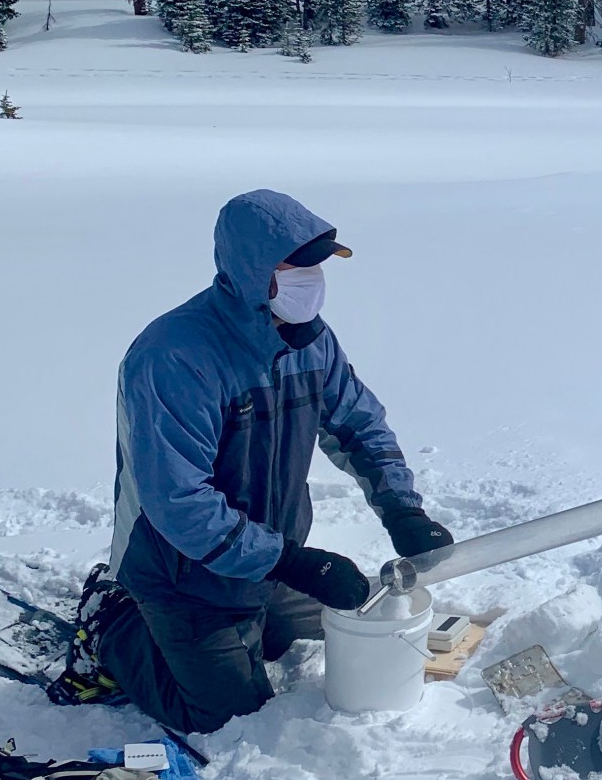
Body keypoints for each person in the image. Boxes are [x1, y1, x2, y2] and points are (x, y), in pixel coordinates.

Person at [91, 189, 453, 734]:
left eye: (319, 268)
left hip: (264, 555)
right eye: (296, 269)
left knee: (348, 614)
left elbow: (359, 424)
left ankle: (251, 620)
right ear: (253, 272)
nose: (313, 281)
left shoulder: (310, 342)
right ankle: (115, 624)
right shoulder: (174, 357)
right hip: (181, 569)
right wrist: (291, 563)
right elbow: (180, 502)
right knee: (226, 714)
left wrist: (403, 510)